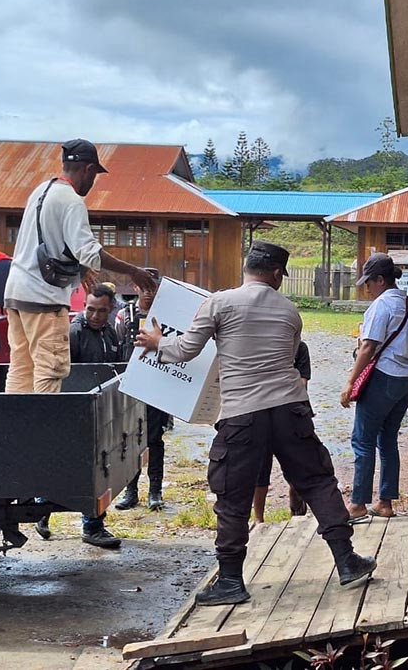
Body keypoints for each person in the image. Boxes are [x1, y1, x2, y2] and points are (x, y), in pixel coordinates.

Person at [135, 241, 377, 606]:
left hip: (242, 414)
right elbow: (292, 355)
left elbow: (186, 350)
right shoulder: (290, 310)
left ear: (246, 268)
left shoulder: (218, 303)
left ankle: (231, 580)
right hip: (290, 408)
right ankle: (347, 561)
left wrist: (157, 343)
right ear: (277, 274)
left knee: (233, 496)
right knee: (316, 480)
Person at [3, 138, 156, 394]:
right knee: (49, 369)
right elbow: (90, 251)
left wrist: (81, 270)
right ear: (88, 169)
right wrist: (133, 271)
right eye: (94, 174)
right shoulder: (71, 201)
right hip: (44, 300)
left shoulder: (41, 191)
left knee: (21, 367)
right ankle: (43, 430)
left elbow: (51, 240)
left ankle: (14, 430)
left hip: (17, 294)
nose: (93, 182)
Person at [340, 253, 408, 520]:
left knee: (362, 440)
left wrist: (350, 382)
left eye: (368, 282)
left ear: (380, 280)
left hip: (383, 380)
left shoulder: (381, 306)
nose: (366, 288)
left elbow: (368, 346)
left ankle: (358, 504)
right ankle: (385, 502)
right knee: (388, 439)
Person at [35, 283, 123, 547]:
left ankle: (91, 525)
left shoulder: (111, 332)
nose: (95, 315)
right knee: (63, 467)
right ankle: (43, 514)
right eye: (90, 309)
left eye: (101, 311)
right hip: (74, 411)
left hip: (101, 409)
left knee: (96, 472)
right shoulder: (74, 333)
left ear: (110, 310)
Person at [114, 268, 171, 512]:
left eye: (153, 288)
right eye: (144, 287)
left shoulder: (167, 317)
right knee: (129, 440)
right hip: (130, 388)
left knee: (154, 439)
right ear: (135, 287)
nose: (149, 292)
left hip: (157, 386)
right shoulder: (123, 315)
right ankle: (131, 491)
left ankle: (155, 491)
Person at [253, 341, 311, 522]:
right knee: (261, 469)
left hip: (289, 412)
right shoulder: (257, 347)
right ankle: (258, 519)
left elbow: (302, 385)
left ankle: (296, 503)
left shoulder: (299, 348)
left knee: (298, 467)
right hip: (265, 411)